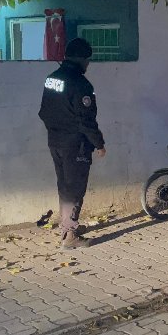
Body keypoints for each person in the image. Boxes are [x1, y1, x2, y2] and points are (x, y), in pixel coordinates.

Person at [39, 38, 106, 249]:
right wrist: (99, 143)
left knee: (64, 186)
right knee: (75, 188)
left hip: (55, 141)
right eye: (87, 60)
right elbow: (85, 120)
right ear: (81, 59)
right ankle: (70, 236)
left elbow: (44, 112)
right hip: (75, 144)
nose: (88, 64)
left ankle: (68, 224)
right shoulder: (81, 84)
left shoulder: (52, 78)